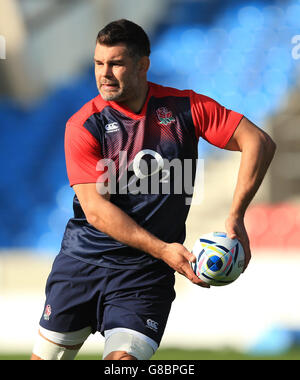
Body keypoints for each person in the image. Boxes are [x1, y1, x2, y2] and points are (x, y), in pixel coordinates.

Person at [31, 19, 276, 360]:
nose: (105, 73)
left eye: (116, 63)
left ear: (143, 65)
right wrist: (163, 249)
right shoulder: (84, 125)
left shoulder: (183, 108)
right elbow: (97, 211)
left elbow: (258, 141)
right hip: (82, 264)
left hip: (144, 277)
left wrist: (236, 215)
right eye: (99, 63)